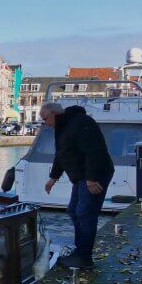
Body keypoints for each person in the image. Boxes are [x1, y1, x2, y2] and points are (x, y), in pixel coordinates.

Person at [41, 101, 115, 269]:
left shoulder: (81, 122)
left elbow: (94, 151)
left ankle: (84, 258)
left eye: (44, 119)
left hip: (95, 175)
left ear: (54, 114)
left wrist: (91, 179)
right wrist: (53, 178)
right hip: (82, 177)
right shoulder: (61, 127)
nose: (44, 123)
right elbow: (61, 154)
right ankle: (79, 251)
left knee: (85, 212)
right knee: (74, 211)